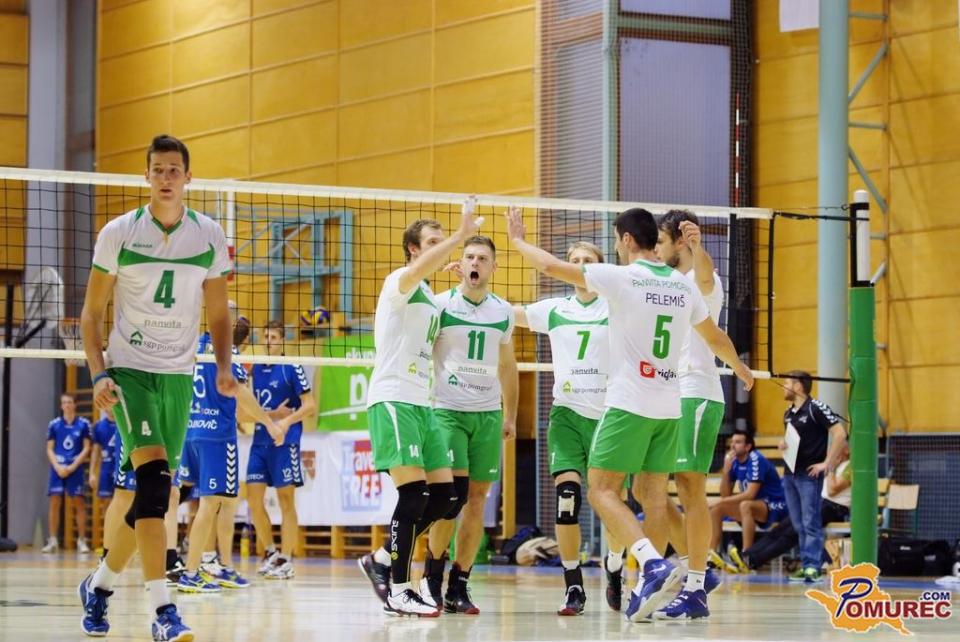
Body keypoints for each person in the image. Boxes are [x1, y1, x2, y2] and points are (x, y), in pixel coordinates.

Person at [505, 206, 753, 623]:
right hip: (670, 405)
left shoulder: (622, 277)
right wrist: (741, 369)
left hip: (629, 403)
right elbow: (714, 336)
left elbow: (549, 266)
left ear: (625, 240)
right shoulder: (682, 286)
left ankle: (651, 563)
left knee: (601, 491)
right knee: (652, 495)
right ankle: (644, 589)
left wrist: (517, 241)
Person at [78, 134, 235, 641]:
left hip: (179, 374)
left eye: (174, 170)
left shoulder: (207, 235)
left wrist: (224, 366)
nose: (166, 178)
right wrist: (99, 373)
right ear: (146, 176)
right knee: (153, 486)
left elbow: (219, 314)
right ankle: (163, 611)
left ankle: (99, 586)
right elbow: (91, 314)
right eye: (158, 170)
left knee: (154, 491)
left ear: (188, 178)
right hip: (130, 371)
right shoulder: (119, 233)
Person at [358, 200, 479, 617]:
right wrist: (459, 237)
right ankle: (399, 589)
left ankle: (380, 559)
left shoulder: (428, 294)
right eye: (432, 242)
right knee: (413, 495)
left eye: (442, 240)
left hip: (422, 403)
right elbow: (415, 276)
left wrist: (457, 276)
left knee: (447, 497)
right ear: (413, 249)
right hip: (393, 398)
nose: (441, 247)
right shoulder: (399, 280)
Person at [513, 240, 621, 616]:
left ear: (599, 268)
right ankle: (573, 584)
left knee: (613, 505)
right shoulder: (555, 309)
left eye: (587, 260)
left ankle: (615, 565)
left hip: (610, 417)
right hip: (567, 415)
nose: (579, 265)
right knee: (567, 499)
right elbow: (507, 314)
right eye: (574, 260)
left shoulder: (616, 306)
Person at [423, 234, 518, 616]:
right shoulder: (440, 305)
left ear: (494, 266)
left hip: (488, 414)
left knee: (477, 501)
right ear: (460, 264)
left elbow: (508, 365)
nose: (475, 262)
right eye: (469, 257)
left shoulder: (504, 311)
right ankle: (431, 578)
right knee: (449, 499)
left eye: (482, 258)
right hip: (447, 411)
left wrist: (510, 415)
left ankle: (459, 584)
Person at [649, 211, 726, 620]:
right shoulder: (662, 284)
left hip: (695, 392)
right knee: (648, 488)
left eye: (661, 242)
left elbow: (707, 275)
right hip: (663, 395)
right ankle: (696, 568)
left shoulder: (699, 278)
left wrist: (698, 248)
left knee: (690, 490)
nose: (656, 249)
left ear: (679, 242)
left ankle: (695, 587)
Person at [178, 327, 278, 593]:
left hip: (191, 431)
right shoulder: (227, 349)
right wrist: (269, 423)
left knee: (225, 500)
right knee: (211, 504)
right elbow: (240, 392)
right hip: (218, 435)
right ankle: (191, 572)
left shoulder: (192, 344)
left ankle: (222, 566)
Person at [247, 320, 316, 580]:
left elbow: (310, 405)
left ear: (282, 341)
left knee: (286, 501)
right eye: (264, 336)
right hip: (259, 441)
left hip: (285, 443)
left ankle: (286, 558)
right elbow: (250, 408)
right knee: (253, 500)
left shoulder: (291, 367)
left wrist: (286, 422)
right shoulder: (255, 369)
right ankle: (270, 552)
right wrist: (272, 415)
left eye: (273, 337)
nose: (267, 341)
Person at [729, 443, 851, 572]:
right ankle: (745, 556)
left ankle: (752, 561)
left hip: (834, 507)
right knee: (780, 529)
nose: (832, 450)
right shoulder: (831, 464)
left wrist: (831, 469)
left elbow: (832, 490)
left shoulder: (850, 467)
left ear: (847, 450)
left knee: (790, 534)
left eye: (838, 447)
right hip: (819, 501)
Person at [779, 370, 847, 582]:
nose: (783, 387)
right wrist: (783, 444)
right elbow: (794, 440)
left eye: (787, 382)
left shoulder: (816, 407)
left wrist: (827, 463)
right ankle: (807, 563)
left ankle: (813, 567)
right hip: (789, 474)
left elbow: (840, 434)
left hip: (809, 475)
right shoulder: (788, 413)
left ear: (798, 385)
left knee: (811, 522)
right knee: (798, 524)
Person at [707, 430, 787, 566]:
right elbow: (725, 495)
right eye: (732, 442)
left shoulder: (756, 459)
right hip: (754, 506)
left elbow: (750, 494)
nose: (733, 445)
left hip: (775, 505)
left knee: (745, 505)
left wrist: (720, 501)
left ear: (748, 447)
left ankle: (746, 556)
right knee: (717, 509)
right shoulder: (734, 462)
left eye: (738, 442)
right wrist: (726, 471)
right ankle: (712, 555)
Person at [43, 393, 92, 554]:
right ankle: (52, 540)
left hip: (75, 468)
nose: (67, 405)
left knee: (79, 502)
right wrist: (57, 466)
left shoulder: (83, 424)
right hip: (57, 468)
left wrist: (72, 467)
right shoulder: (54, 424)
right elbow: (49, 449)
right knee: (55, 501)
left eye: (70, 402)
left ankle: (82, 540)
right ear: (61, 405)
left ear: (75, 404)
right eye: (64, 402)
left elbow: (87, 448)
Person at [90, 409, 119, 540]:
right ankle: (108, 539)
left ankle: (121, 540)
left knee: (124, 502)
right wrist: (92, 473)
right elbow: (96, 451)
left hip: (122, 469)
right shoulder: (99, 426)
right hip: (106, 470)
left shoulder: (124, 423)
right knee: (106, 503)